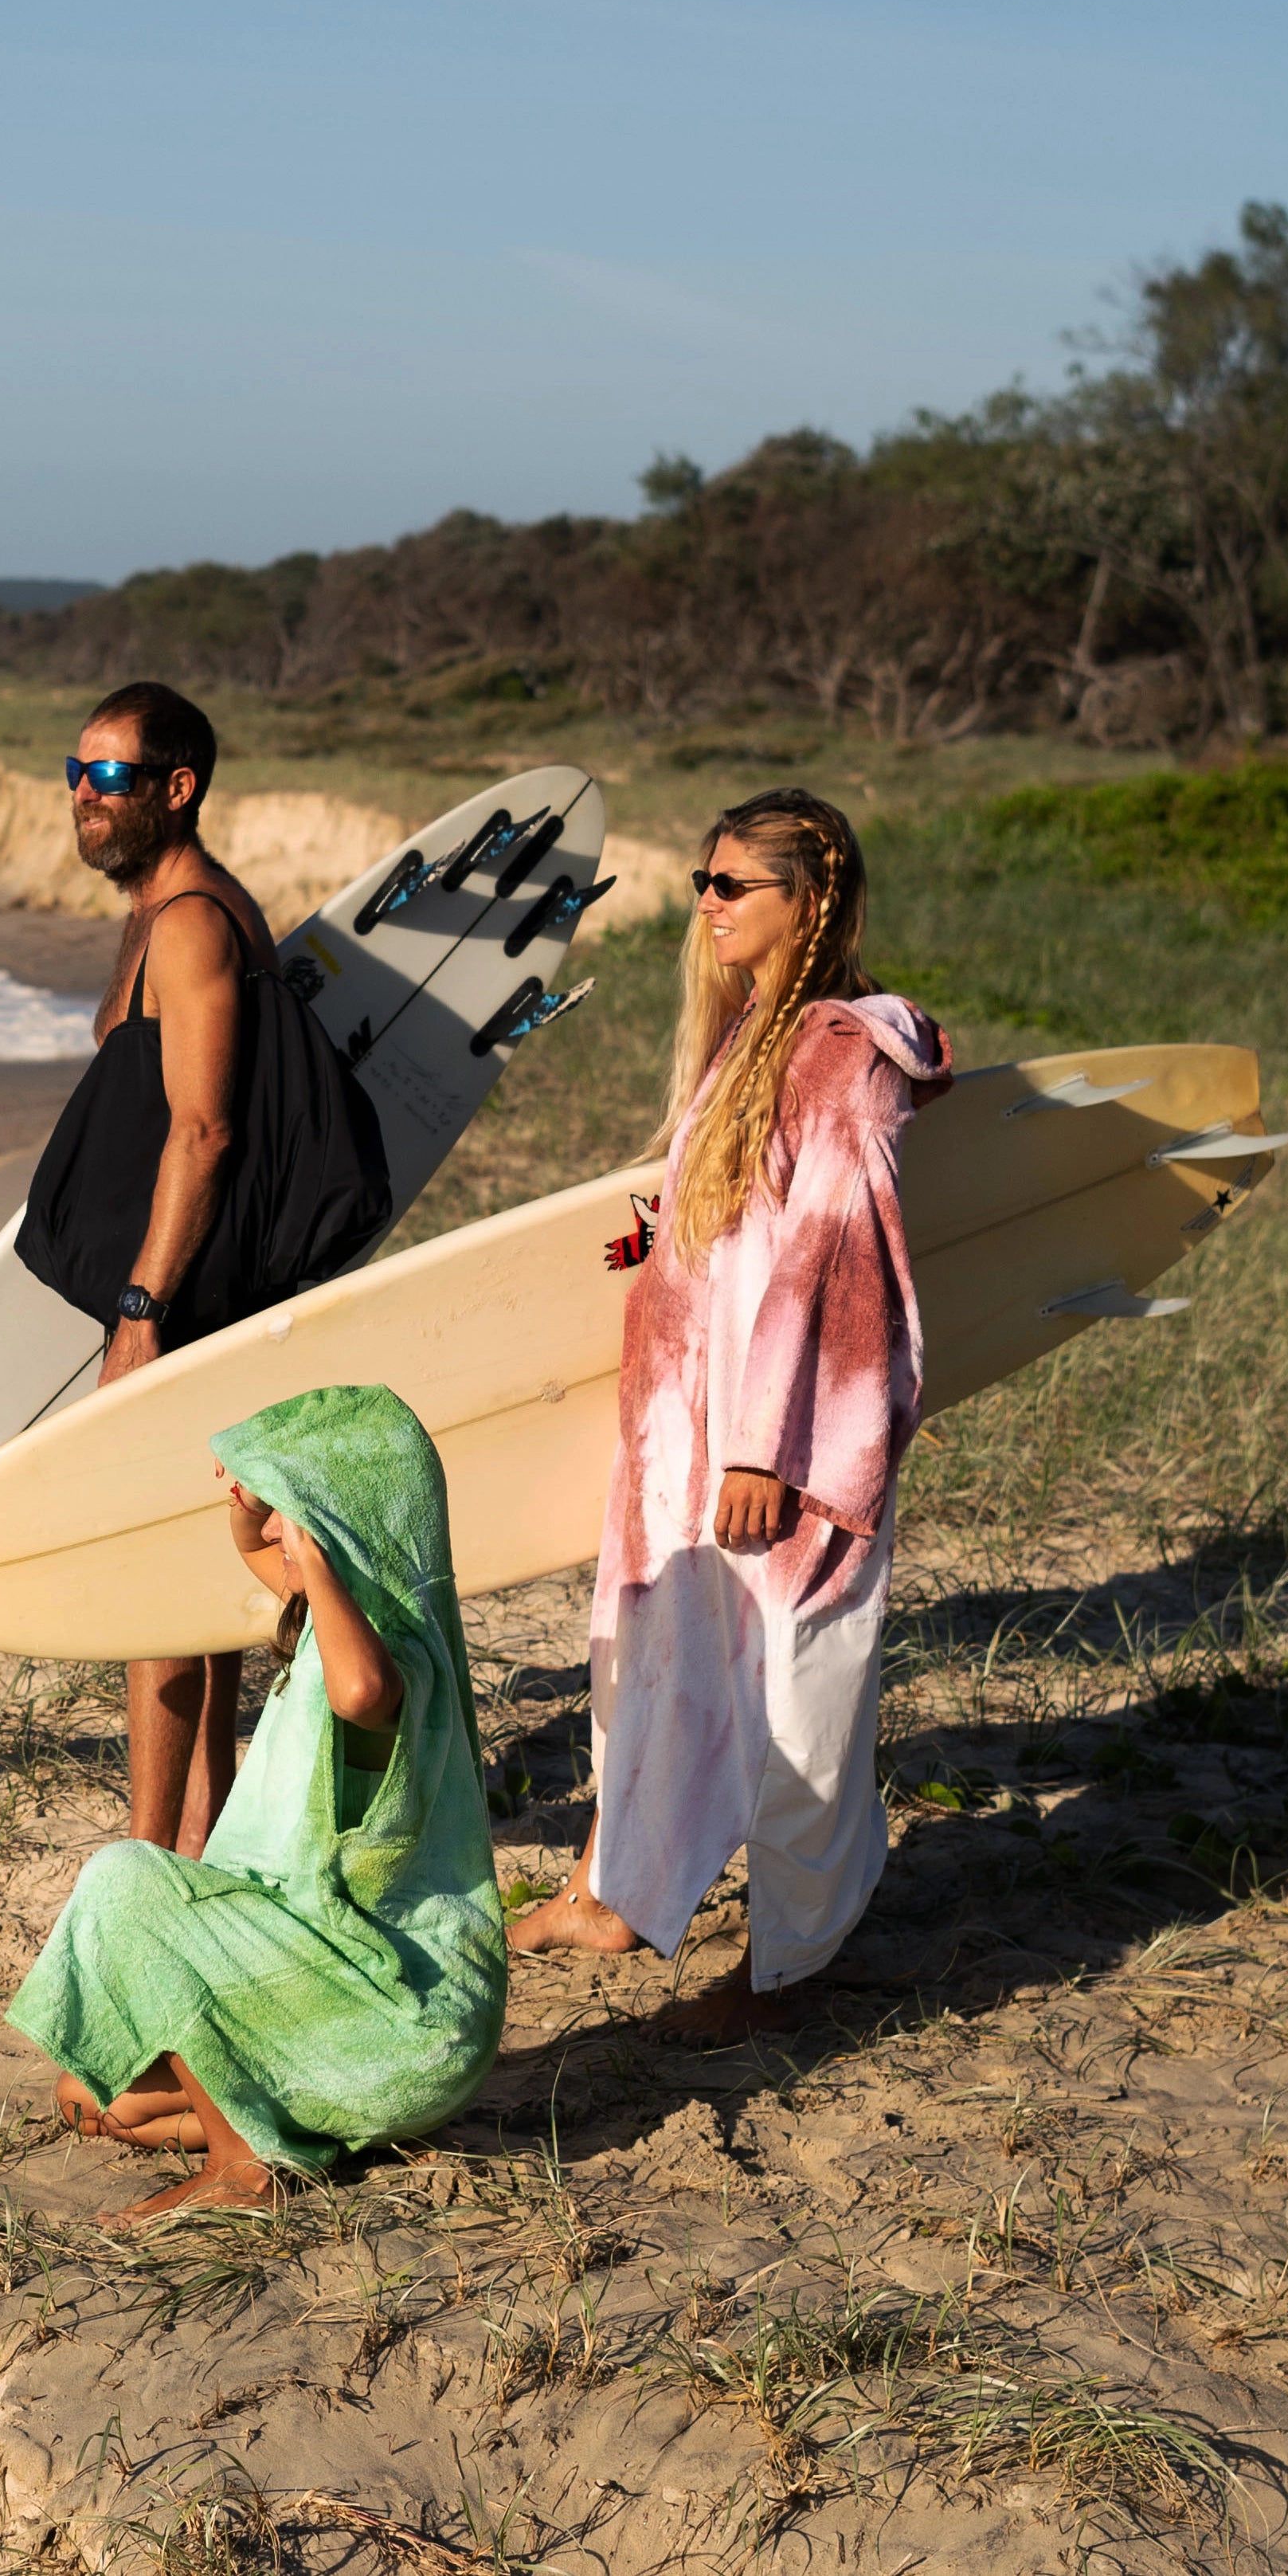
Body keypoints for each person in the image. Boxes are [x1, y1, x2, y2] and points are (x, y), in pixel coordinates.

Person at [508, 787, 950, 2038]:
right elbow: (733, 1217)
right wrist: (629, 1246)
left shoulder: (841, 1056)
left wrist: (766, 1446)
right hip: (687, 1421)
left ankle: (799, 1967)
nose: (701, 906)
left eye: (726, 887)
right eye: (701, 883)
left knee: (797, 1688)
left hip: (784, 1439)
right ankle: (618, 1890)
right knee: (658, 1653)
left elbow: (830, 1260)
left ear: (804, 904)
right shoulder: (752, 1033)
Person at [6, 1384, 506, 2224]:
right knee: (88, 2099)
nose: (274, 1535)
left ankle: (246, 2164)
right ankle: (314, 2118)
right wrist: (248, 1497)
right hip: (337, 2006)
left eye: (292, 1517)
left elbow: (360, 1692)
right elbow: (259, 1554)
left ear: (336, 1528)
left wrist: (309, 1556)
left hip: (400, 2017)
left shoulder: (395, 1655)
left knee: (126, 1879)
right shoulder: (331, 1620)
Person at [25, 682, 284, 1857]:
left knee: (156, 1576)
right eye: (75, 771)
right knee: (184, 1570)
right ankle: (198, 1830)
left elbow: (202, 1127)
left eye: (111, 775)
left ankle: (147, 1859)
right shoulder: (154, 910)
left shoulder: (188, 922)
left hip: (183, 1299)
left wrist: (140, 1309)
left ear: (175, 788)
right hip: (175, 1292)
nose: (86, 793)